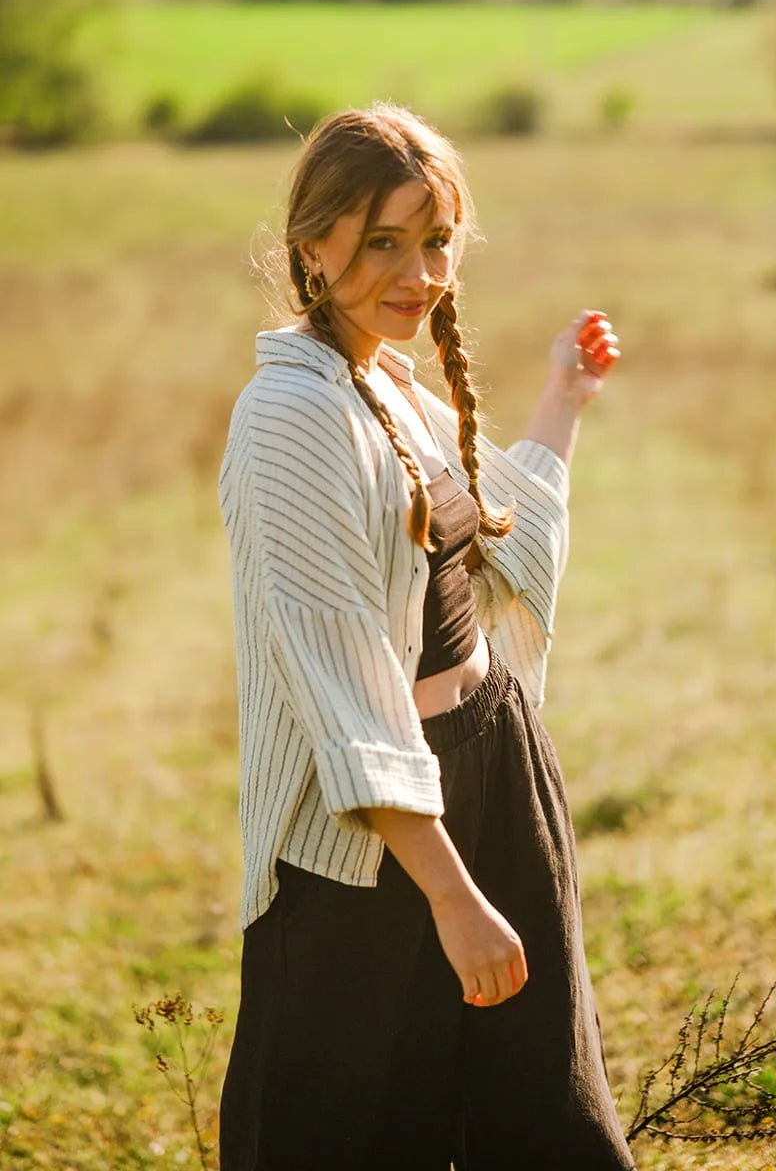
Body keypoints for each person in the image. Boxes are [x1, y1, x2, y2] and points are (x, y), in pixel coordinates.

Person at [218, 102, 635, 1170]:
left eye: (436, 239)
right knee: (346, 1122)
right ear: (311, 246)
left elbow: (496, 533)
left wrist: (563, 395)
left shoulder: (386, 384)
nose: (418, 273)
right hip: (374, 839)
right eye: (383, 243)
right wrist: (450, 896)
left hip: (494, 770)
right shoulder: (292, 417)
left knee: (541, 1110)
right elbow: (345, 686)